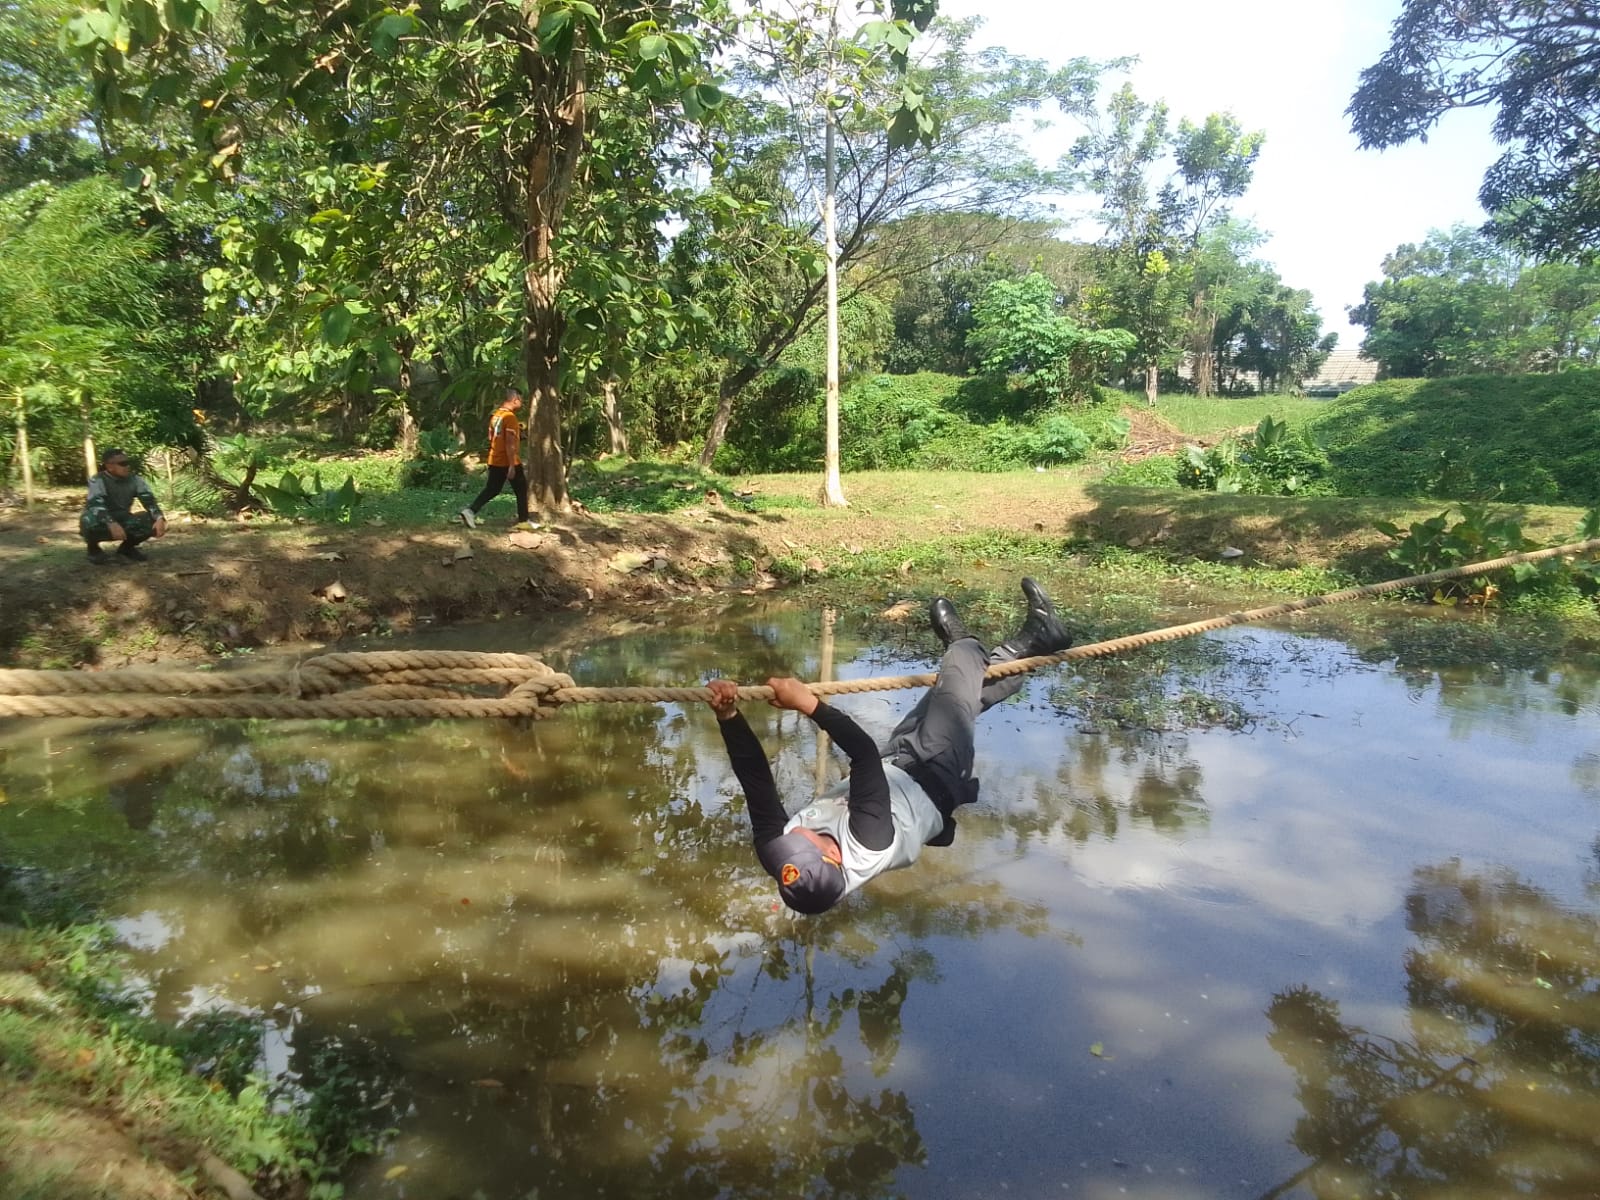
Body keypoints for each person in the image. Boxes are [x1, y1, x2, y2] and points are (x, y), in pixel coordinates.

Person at [708, 578, 1073, 914]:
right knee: (960, 671)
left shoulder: (782, 854)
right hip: (937, 774)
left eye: (788, 848)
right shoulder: (867, 843)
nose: (795, 835)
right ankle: (963, 641)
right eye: (806, 844)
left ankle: (1039, 640)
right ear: (833, 855)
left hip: (895, 764)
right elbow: (861, 754)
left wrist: (729, 717)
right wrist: (807, 704)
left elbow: (755, 781)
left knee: (968, 692)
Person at [458, 388, 535, 530]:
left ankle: (470, 511)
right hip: (508, 460)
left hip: (495, 458)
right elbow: (509, 443)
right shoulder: (510, 417)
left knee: (492, 489)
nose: (522, 403)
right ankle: (524, 520)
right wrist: (512, 465)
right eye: (521, 400)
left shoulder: (496, 415)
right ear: (515, 400)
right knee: (521, 488)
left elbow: (492, 437)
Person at [81, 447, 167, 564]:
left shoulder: (135, 480)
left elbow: (149, 501)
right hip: (101, 520)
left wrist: (159, 518)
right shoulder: (98, 480)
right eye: (122, 464)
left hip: (123, 518)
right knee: (88, 520)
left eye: (127, 463)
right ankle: (93, 549)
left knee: (151, 520)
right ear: (109, 466)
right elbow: (95, 504)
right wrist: (110, 522)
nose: (127, 466)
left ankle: (126, 549)